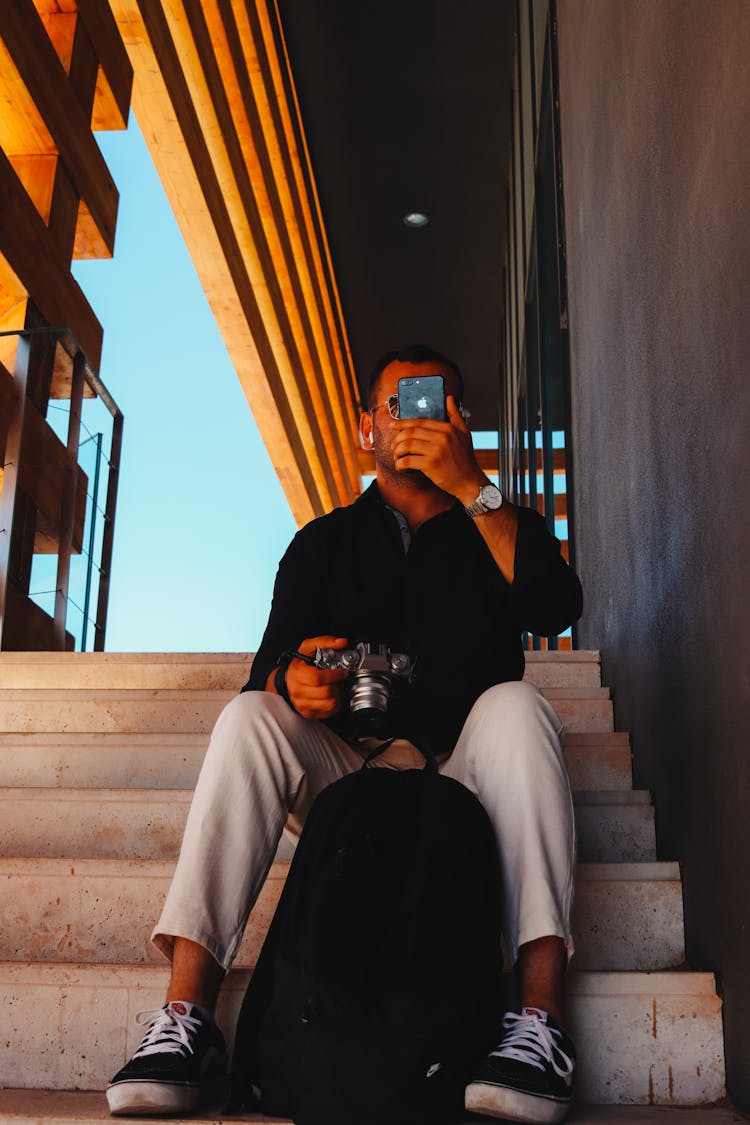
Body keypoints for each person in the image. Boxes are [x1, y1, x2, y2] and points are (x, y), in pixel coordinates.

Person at [106, 344, 583, 1123]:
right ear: (367, 431)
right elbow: (267, 669)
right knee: (249, 716)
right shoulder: (322, 541)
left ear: (461, 422)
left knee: (520, 707)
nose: (414, 421)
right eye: (397, 405)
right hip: (343, 776)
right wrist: (295, 679)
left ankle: (539, 1021)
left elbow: (554, 606)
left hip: (463, 775)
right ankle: (187, 1019)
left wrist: (471, 487)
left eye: (435, 404)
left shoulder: (494, 526)